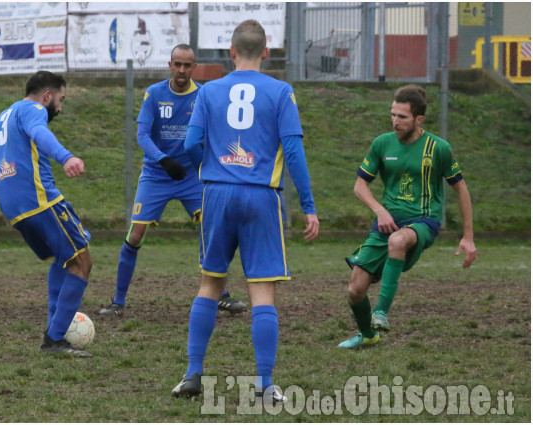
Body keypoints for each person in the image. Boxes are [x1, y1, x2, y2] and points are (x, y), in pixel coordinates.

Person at [171, 20, 319, 403]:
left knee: (210, 284)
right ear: (266, 52)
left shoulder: (209, 92)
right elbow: (296, 153)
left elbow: (190, 145)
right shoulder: (281, 91)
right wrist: (308, 206)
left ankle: (192, 375)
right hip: (261, 195)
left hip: (217, 194)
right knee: (262, 291)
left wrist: (211, 166)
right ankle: (265, 386)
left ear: (231, 52)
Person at [99, 44, 247, 318]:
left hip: (191, 176)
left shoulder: (203, 95)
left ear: (194, 67)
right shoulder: (154, 94)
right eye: (177, 64)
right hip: (157, 175)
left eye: (187, 65)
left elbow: (214, 134)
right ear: (170, 64)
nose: (181, 70)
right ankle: (118, 302)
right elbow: (142, 135)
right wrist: (163, 161)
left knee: (212, 231)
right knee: (135, 234)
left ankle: (221, 296)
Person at [0, 71, 93, 358]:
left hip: (15, 211)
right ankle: (55, 339)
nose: (59, 108)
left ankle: (53, 328)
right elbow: (39, 133)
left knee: (65, 257)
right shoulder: (34, 110)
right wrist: (66, 157)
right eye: (60, 100)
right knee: (82, 261)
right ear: (47, 96)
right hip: (41, 201)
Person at [339, 84, 476, 349]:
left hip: (423, 221)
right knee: (355, 291)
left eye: (402, 117)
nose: (395, 121)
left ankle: (382, 312)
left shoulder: (439, 148)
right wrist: (380, 210)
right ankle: (369, 335)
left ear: (418, 119)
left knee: (398, 241)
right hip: (386, 223)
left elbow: (461, 189)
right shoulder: (382, 143)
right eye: (393, 114)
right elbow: (359, 186)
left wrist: (468, 236)